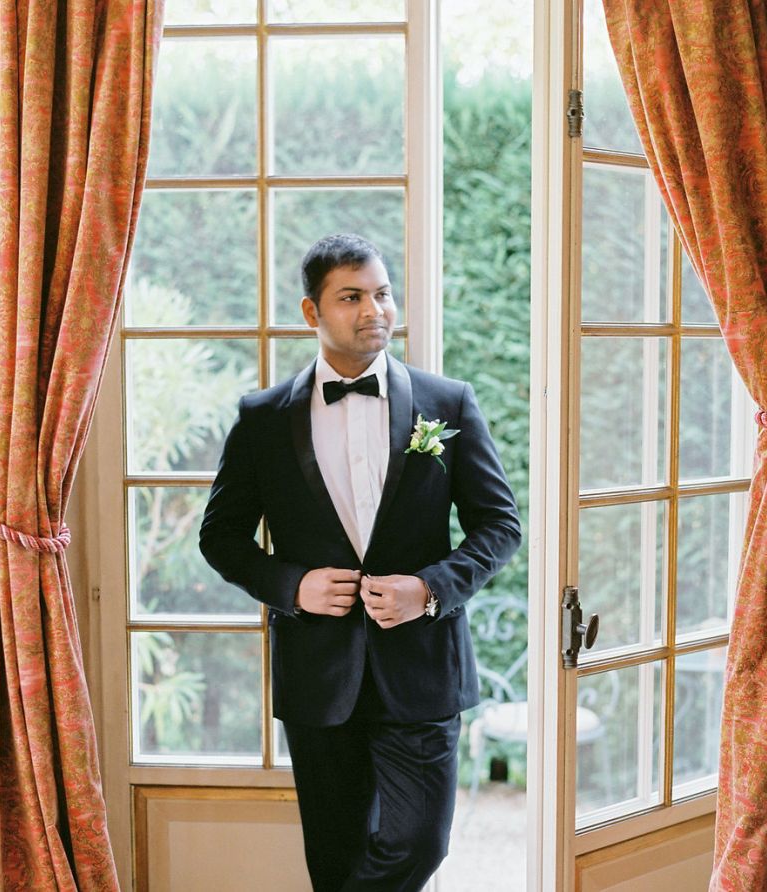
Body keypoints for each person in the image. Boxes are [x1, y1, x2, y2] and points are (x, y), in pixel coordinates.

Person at [199, 233, 521, 891]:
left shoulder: (447, 404)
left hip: (423, 668)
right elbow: (221, 538)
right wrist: (294, 585)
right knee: (336, 857)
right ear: (312, 313)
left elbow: (499, 526)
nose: (375, 310)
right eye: (352, 297)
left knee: (420, 842)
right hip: (318, 674)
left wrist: (429, 589)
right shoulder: (262, 419)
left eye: (382, 293)